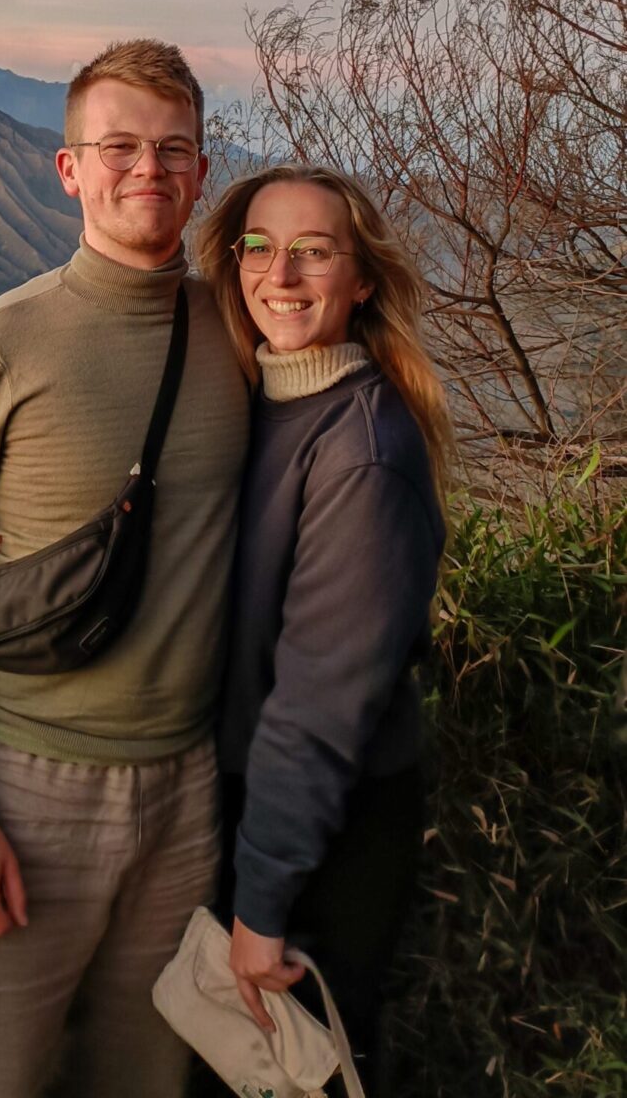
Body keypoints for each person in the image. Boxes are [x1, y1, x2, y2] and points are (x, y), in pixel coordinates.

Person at [0, 39, 251, 1098]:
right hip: (22, 788)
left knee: (145, 1076)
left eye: (172, 148)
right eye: (119, 145)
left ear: (200, 169)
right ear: (70, 169)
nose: (148, 168)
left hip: (186, 795)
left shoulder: (237, 330)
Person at [196, 164, 450, 1092]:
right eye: (260, 247)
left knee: (306, 1071)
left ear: (363, 279)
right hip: (256, 809)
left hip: (320, 837)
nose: (283, 274)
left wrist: (262, 905)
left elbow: (317, 709)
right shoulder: (252, 403)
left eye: (314, 251)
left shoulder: (362, 451)